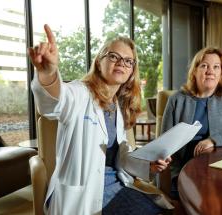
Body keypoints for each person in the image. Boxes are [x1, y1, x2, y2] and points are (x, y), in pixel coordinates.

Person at [29, 24, 172, 215]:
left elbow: (120, 157)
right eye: (114, 56)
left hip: (116, 184)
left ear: (131, 71)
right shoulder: (80, 93)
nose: (122, 63)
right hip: (83, 197)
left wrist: (149, 165)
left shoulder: (118, 106)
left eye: (129, 61)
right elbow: (56, 102)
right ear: (99, 62)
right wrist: (48, 74)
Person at [161, 47, 222, 199]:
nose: (210, 71)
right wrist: (175, 173)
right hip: (182, 169)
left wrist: (214, 140)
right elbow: (164, 144)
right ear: (195, 71)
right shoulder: (176, 100)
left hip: (217, 168)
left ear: (220, 73)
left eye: (216, 67)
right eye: (204, 65)